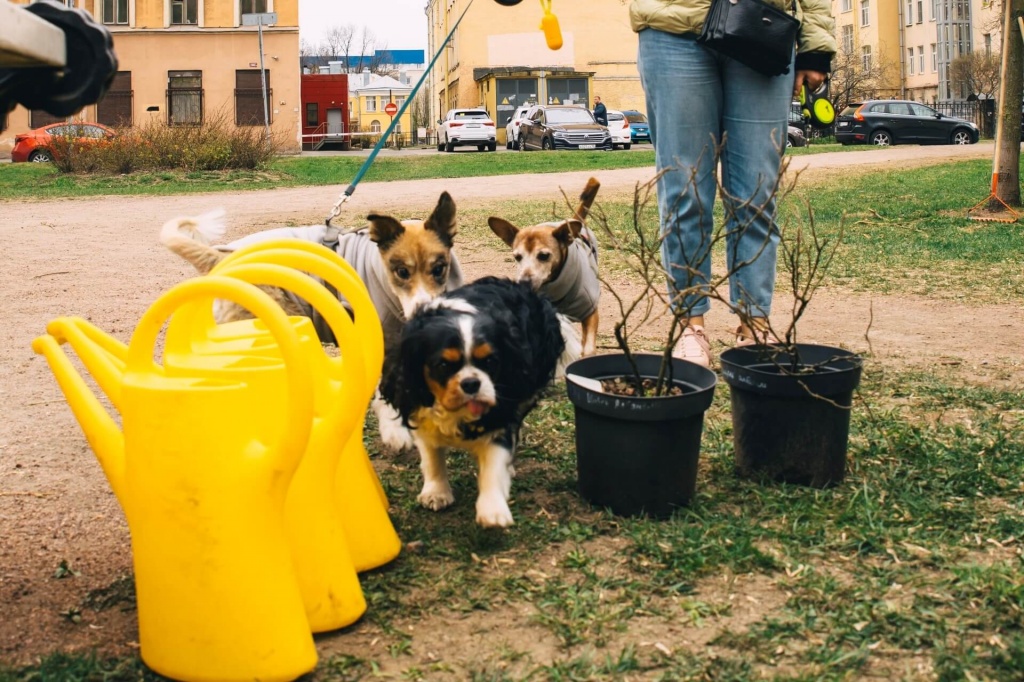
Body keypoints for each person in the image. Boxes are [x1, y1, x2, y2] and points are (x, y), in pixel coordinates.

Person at [629, 0, 836, 368]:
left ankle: (754, 325)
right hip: (672, 27)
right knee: (683, 188)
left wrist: (816, 45)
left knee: (756, 192)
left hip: (764, 22)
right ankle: (689, 325)